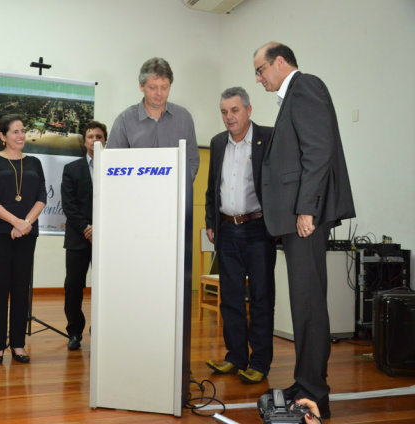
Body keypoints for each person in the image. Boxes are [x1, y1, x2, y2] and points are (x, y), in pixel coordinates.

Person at [253, 42, 355, 417]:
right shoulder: (293, 94)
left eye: (261, 69)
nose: (259, 77)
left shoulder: (306, 86)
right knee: (304, 304)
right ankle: (305, 381)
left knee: (309, 304)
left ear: (280, 62)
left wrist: (307, 210)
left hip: (305, 219)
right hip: (298, 218)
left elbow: (318, 151)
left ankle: (314, 392)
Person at [204, 87, 276, 384]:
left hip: (258, 229)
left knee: (260, 298)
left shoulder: (268, 138)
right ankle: (235, 357)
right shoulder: (218, 143)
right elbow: (212, 188)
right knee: (230, 299)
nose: (229, 117)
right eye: (224, 112)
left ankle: (259, 362)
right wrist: (211, 221)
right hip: (226, 231)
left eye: (234, 110)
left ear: (248, 110)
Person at [0, 114, 47, 365]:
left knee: (21, 288)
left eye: (23, 131)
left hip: (27, 233)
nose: (21, 136)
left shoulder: (35, 162)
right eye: (16, 132)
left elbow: (42, 196)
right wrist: (15, 222)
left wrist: (26, 223)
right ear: (2, 136)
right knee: (0, 287)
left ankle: (18, 344)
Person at [106, 57, 200, 181]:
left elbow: (192, 160)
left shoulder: (184, 118)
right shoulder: (124, 121)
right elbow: (112, 164)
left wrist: (179, 186)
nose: (159, 93)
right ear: (141, 86)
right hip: (135, 195)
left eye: (164, 87)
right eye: (153, 87)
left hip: (174, 196)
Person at [61, 121, 107, 350]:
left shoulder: (114, 168)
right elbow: (69, 206)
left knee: (106, 287)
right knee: (73, 286)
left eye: (99, 136)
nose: (95, 140)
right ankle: (75, 332)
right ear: (85, 140)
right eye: (91, 136)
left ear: (104, 140)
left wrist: (100, 228)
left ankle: (101, 329)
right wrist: (88, 228)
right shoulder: (71, 168)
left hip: (107, 239)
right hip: (79, 238)